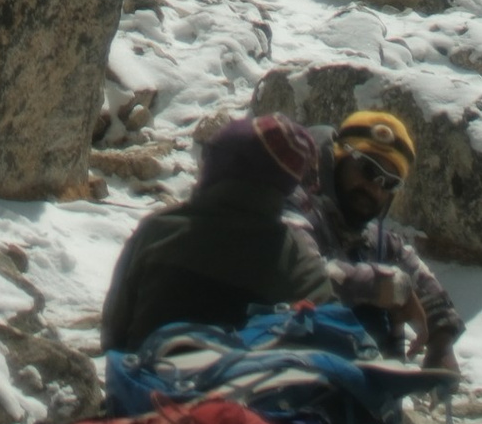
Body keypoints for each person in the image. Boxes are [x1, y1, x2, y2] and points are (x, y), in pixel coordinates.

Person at [101, 116, 342, 356]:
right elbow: (333, 338)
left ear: (221, 165)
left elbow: (114, 333)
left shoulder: (160, 228)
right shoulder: (293, 255)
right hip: (249, 390)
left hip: (146, 386)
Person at [299, 108, 463, 371]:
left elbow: (431, 294)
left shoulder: (379, 243)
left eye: (389, 183)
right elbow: (305, 275)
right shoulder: (298, 207)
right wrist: (390, 287)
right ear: (339, 159)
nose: (375, 188)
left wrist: (441, 342)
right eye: (368, 169)